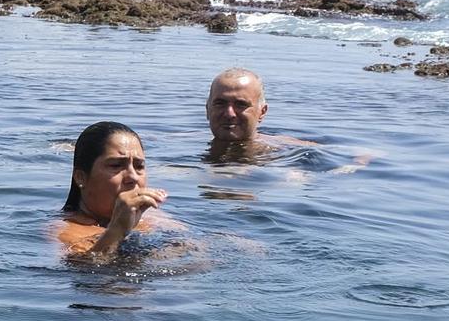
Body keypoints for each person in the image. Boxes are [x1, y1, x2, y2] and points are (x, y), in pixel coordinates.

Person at [52, 121, 181, 258]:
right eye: (116, 165)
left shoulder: (153, 218)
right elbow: (86, 269)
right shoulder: (65, 230)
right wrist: (117, 230)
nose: (132, 177)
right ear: (80, 178)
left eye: (139, 166)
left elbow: (197, 253)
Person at [204, 67, 316, 157]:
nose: (229, 114)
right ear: (207, 109)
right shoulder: (189, 140)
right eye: (220, 103)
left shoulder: (288, 149)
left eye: (241, 105)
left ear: (262, 112)